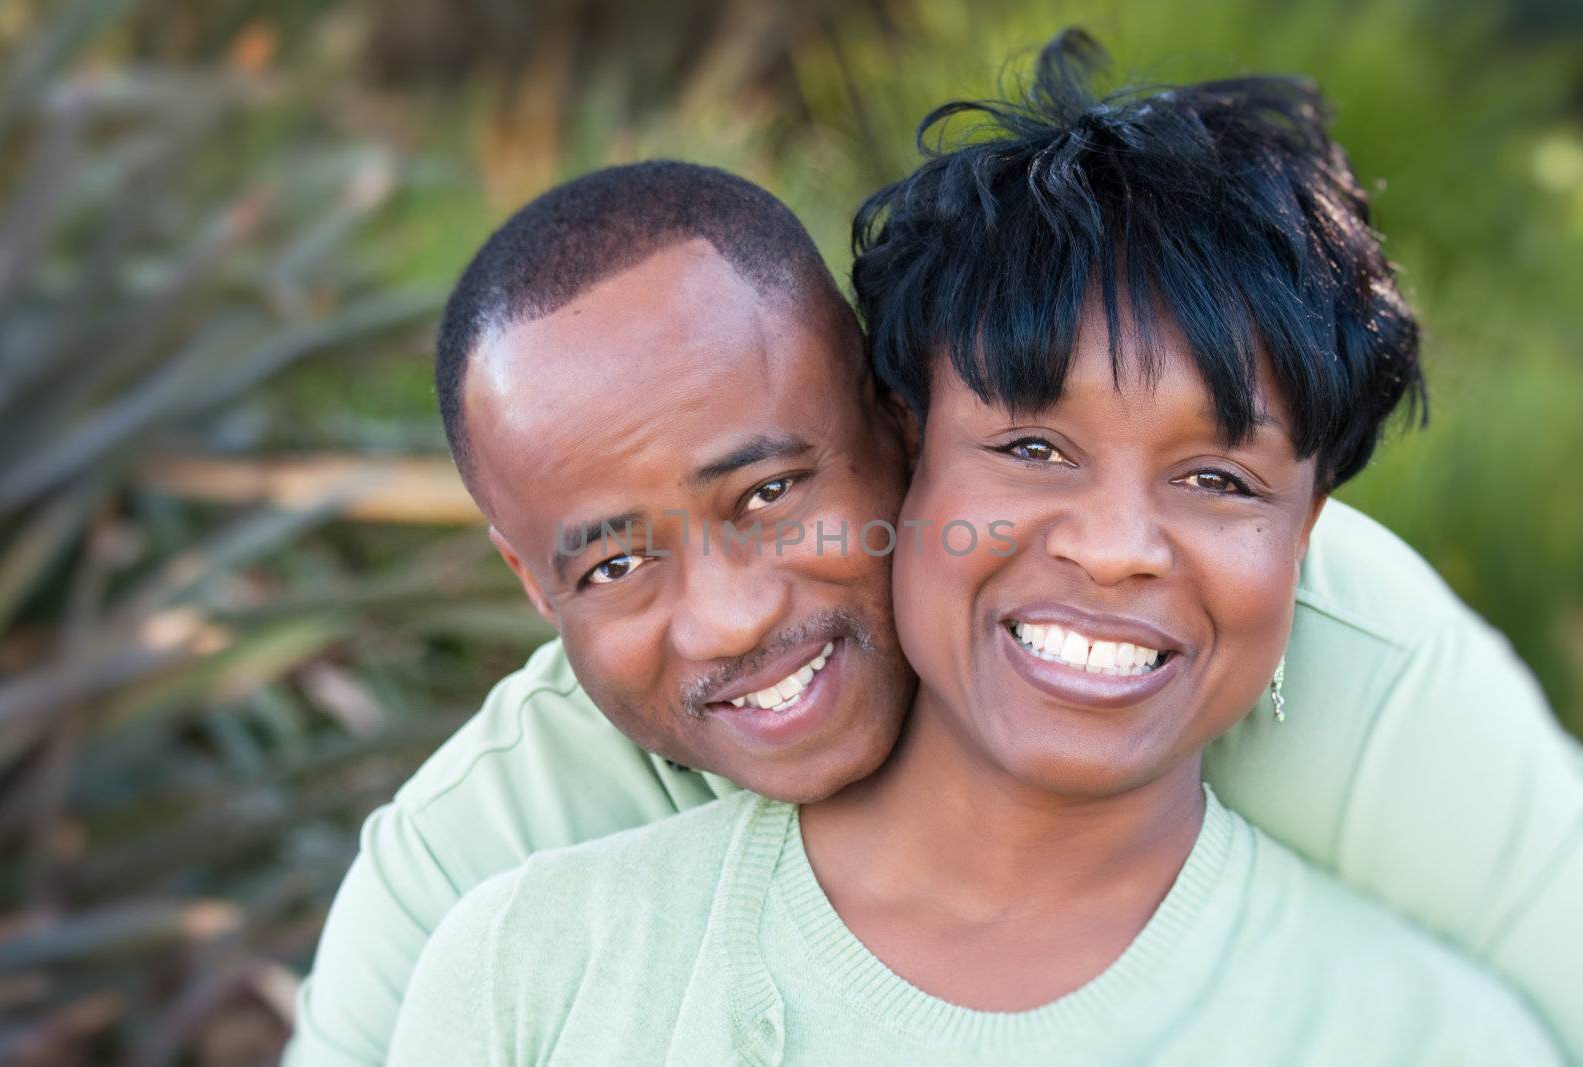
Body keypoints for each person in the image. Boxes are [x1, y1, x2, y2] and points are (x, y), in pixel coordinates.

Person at [285, 45, 1583, 1067]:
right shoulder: (514, 928)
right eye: (1031, 450)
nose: (1119, 548)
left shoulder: (1396, 847)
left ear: (884, 440)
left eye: (774, 492)